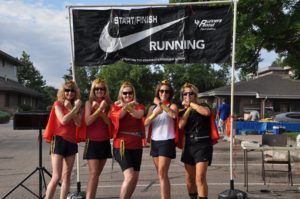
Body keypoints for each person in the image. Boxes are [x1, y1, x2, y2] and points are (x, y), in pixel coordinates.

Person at [44, 80, 82, 199]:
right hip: (59, 140)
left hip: (71, 142)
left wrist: (73, 108)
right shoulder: (58, 104)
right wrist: (74, 109)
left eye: (72, 90)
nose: (69, 93)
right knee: (56, 176)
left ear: (75, 92)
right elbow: (63, 120)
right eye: (67, 90)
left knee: (67, 176)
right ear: (63, 91)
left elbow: (79, 123)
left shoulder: (76, 106)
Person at [110, 81, 145, 199]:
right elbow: (119, 116)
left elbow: (138, 115)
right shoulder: (115, 107)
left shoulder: (139, 105)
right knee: (129, 176)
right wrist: (126, 106)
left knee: (135, 178)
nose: (127, 96)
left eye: (130, 93)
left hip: (136, 145)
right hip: (121, 144)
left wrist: (128, 106)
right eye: (125, 93)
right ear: (121, 94)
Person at [144, 80, 178, 199]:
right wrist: (155, 112)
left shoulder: (172, 106)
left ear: (170, 93)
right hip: (155, 141)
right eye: (161, 91)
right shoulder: (152, 107)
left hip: (167, 140)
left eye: (167, 91)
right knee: (161, 174)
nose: (164, 93)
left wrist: (161, 105)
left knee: (162, 173)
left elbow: (174, 115)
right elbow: (145, 122)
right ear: (158, 92)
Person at [178, 83, 213, 199]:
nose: (187, 96)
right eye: (185, 94)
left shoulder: (202, 105)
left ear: (195, 95)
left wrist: (192, 104)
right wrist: (187, 109)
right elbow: (180, 125)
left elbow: (206, 113)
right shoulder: (183, 111)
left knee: (200, 178)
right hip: (188, 145)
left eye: (190, 93)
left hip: (202, 144)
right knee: (189, 179)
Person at [84, 79, 112, 199]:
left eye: (102, 89)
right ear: (93, 90)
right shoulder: (89, 103)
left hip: (105, 141)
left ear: (105, 91)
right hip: (92, 142)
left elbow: (109, 122)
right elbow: (88, 121)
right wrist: (99, 109)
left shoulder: (109, 104)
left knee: (96, 175)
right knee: (93, 174)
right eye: (97, 89)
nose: (99, 91)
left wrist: (101, 109)